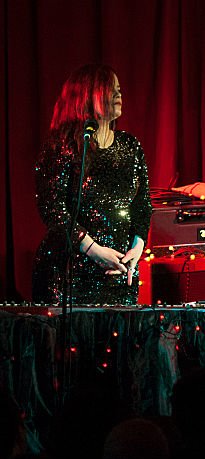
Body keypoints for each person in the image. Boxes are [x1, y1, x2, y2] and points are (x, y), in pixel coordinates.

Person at [33, 64, 151, 305]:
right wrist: (94, 251)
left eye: (119, 89)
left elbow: (143, 206)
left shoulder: (130, 146)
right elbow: (53, 210)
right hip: (70, 275)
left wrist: (135, 251)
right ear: (88, 95)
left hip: (119, 274)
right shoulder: (62, 146)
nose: (119, 95)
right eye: (110, 90)